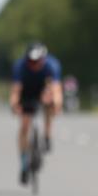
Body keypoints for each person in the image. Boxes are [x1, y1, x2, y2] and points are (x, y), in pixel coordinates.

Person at [10, 42, 63, 184]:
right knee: (24, 126)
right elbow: (16, 90)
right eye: (31, 61)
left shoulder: (52, 65)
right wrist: (14, 104)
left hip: (43, 91)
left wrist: (57, 104)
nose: (34, 64)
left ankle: (47, 135)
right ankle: (24, 163)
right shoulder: (20, 66)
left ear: (43, 59)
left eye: (37, 61)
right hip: (27, 93)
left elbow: (56, 88)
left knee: (50, 103)